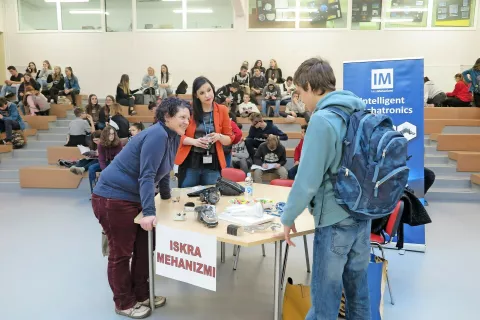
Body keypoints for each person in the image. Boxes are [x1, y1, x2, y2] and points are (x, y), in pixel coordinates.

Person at [281, 57, 371, 320]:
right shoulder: (358, 110)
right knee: (358, 294)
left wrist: (288, 216)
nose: (301, 101)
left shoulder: (322, 120)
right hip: (363, 213)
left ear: (310, 86)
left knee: (325, 300)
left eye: (299, 93)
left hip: (334, 218)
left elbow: (308, 180)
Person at [92, 98, 191, 318]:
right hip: (113, 198)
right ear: (167, 116)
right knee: (121, 253)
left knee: (145, 247)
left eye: (188, 117)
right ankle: (124, 302)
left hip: (133, 198)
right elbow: (146, 175)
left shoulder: (173, 136)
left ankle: (141, 294)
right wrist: (149, 212)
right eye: (182, 117)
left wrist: (166, 197)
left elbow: (163, 170)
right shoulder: (157, 135)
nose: (186, 121)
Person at [175, 76, 234, 188]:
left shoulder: (222, 110)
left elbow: (229, 139)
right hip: (191, 161)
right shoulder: (188, 109)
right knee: (186, 196)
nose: (207, 95)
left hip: (212, 163)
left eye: (209, 90)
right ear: (196, 95)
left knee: (212, 196)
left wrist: (219, 136)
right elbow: (177, 135)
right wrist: (194, 142)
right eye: (202, 93)